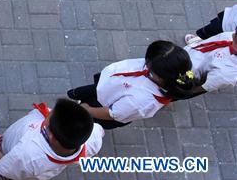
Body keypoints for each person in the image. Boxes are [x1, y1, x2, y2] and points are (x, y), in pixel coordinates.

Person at [67, 40, 199, 129]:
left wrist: (87, 110)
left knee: (77, 119)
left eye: (148, 63)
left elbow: (111, 114)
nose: (145, 62)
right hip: (109, 87)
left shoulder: (141, 102)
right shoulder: (165, 69)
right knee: (78, 94)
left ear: (159, 76)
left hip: (102, 106)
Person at [0, 99, 103, 180]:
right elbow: (100, 132)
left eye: (50, 114)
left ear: (51, 135)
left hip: (17, 166)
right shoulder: (93, 139)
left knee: (12, 179)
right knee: (31, 175)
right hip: (38, 170)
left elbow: (5, 168)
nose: (48, 111)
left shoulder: (25, 155)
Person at [185, 25, 237, 95]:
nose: (233, 33)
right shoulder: (230, 36)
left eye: (236, 34)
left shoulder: (227, 74)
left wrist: (183, 91)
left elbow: (201, 87)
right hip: (190, 53)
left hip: (188, 75)